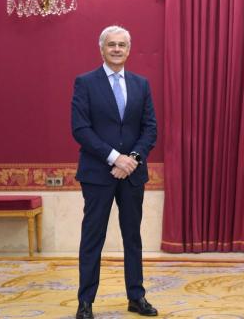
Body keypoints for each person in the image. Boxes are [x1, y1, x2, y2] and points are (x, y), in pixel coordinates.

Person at [71, 25, 158, 319]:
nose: (117, 49)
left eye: (122, 45)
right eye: (112, 45)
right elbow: (80, 129)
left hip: (132, 173)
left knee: (132, 237)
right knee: (92, 237)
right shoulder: (85, 83)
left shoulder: (141, 84)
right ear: (102, 49)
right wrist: (114, 158)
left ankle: (137, 297)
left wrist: (131, 159)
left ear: (129, 49)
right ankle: (85, 302)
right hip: (98, 174)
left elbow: (150, 128)